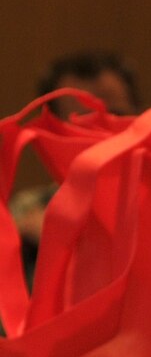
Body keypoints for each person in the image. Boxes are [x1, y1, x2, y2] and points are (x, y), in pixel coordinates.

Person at [8, 50, 142, 290]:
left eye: (116, 115)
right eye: (83, 120)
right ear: (52, 133)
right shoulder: (28, 210)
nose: (103, 130)